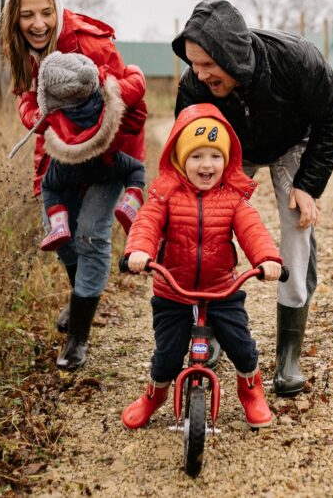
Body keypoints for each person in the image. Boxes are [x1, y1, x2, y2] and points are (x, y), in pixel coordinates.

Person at [172, 0, 333, 397]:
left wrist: (308, 185)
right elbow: (185, 143)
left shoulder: (298, 60)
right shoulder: (193, 86)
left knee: (296, 228)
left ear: (231, 53)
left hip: (293, 142)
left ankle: (289, 356)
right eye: (193, 65)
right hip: (230, 148)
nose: (198, 75)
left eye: (206, 65)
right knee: (209, 221)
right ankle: (210, 325)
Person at [2, 0, 147, 371]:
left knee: (89, 233)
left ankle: (78, 337)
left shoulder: (86, 42)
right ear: (14, 20)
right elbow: (25, 98)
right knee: (62, 236)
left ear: (58, 10)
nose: (38, 23)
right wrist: (40, 118)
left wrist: (100, 141)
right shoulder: (23, 51)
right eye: (27, 15)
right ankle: (79, 298)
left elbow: (130, 99)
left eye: (46, 12)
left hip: (108, 154)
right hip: (59, 153)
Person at [121, 104, 283, 429]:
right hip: (173, 291)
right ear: (180, 159)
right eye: (196, 156)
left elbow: (253, 231)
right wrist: (138, 251)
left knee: (242, 347)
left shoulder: (234, 199)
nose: (206, 165)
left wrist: (267, 259)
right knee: (167, 356)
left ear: (227, 160)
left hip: (223, 289)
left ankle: (251, 392)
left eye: (214, 156)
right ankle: (155, 396)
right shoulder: (165, 196)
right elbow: (147, 224)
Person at [7, 50, 146, 251]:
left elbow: (30, 116)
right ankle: (130, 204)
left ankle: (59, 224)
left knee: (49, 186)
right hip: (105, 161)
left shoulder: (52, 111)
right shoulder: (106, 96)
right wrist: (133, 70)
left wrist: (27, 95)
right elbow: (137, 91)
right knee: (136, 169)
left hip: (67, 166)